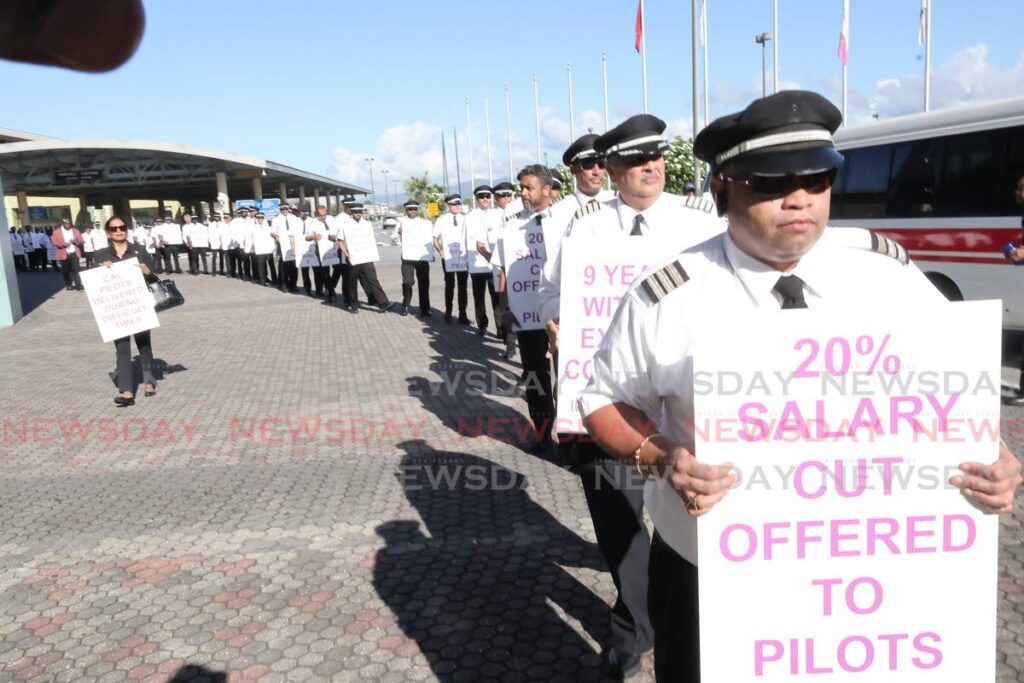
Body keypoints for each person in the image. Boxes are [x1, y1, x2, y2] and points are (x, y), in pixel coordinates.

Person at [578, 90, 1024, 681]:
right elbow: (603, 400)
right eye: (769, 183)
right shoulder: (669, 293)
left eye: (818, 179)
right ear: (721, 190)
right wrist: (661, 458)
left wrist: (991, 455)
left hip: (873, 564)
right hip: (712, 567)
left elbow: (949, 388)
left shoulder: (887, 273)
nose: (799, 199)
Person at [497, 165, 557, 454]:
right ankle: (543, 435)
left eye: (528, 187)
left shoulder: (567, 220)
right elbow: (505, 269)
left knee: (568, 376)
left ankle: (571, 442)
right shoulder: (510, 226)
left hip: (562, 316)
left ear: (547, 190)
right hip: (527, 314)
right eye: (521, 187)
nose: (522, 193)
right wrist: (505, 307)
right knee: (536, 377)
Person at [93, 215, 159, 407]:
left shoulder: (139, 251)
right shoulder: (100, 254)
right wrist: (100, 271)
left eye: (122, 227)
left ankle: (149, 381)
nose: (119, 231)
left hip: (138, 306)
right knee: (122, 348)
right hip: (117, 309)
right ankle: (127, 391)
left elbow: (154, 277)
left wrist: (148, 272)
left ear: (126, 229)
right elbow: (91, 282)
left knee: (144, 345)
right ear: (108, 232)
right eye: (114, 229)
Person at [338, 202, 394, 312]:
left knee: (373, 280)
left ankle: (383, 303)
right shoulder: (345, 225)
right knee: (352, 283)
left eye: (360, 212)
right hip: (353, 259)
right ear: (351, 212)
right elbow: (340, 241)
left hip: (367, 258)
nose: (358, 214)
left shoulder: (367, 224)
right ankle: (353, 305)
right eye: (355, 212)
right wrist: (347, 254)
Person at [464, 185, 499, 335]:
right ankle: (482, 325)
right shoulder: (470, 217)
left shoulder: (498, 215)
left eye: (488, 196)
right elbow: (465, 240)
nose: (485, 199)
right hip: (476, 263)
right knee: (479, 298)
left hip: (494, 264)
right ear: (476, 199)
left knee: (497, 297)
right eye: (482, 196)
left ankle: (500, 328)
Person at [433, 193, 470, 324]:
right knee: (449, 285)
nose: (457, 206)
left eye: (459, 203)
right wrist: (440, 251)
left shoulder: (466, 219)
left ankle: (462, 314)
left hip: (462, 257)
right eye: (454, 204)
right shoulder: (441, 220)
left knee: (463, 287)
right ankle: (448, 312)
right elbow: (435, 238)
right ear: (448, 205)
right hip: (448, 258)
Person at [396, 200, 434, 316]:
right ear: (405, 210)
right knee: (407, 282)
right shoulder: (401, 223)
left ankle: (425, 308)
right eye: (410, 209)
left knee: (424, 283)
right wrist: (398, 233)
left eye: (415, 209)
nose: (413, 211)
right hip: (408, 258)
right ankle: (406, 304)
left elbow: (430, 238)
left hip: (422, 258)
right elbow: (393, 237)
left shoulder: (424, 223)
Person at [272, 204, 302, 293]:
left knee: (294, 265)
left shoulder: (294, 218)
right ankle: (283, 284)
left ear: (289, 209)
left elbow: (298, 230)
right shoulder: (276, 219)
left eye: (286, 208)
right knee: (283, 266)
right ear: (280, 209)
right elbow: (272, 232)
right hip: (283, 245)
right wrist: (276, 238)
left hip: (293, 244)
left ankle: (293, 285)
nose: (285, 210)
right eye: (282, 209)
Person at [50, 217, 84, 290]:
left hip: (74, 253)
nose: (68, 225)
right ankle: (68, 284)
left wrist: (75, 241)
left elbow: (81, 241)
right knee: (65, 270)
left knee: (76, 269)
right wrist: (63, 244)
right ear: (63, 224)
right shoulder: (56, 232)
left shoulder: (76, 231)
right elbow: (54, 242)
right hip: (63, 253)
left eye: (69, 224)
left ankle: (78, 285)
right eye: (66, 224)